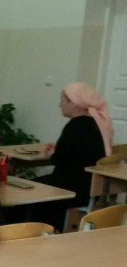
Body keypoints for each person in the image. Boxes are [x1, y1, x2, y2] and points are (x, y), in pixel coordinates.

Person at [33, 82, 112, 231]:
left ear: (74, 104)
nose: (60, 104)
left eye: (62, 100)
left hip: (73, 188)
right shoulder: (94, 123)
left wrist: (52, 153)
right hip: (88, 186)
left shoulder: (76, 126)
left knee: (31, 191)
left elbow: (60, 159)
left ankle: (39, 232)